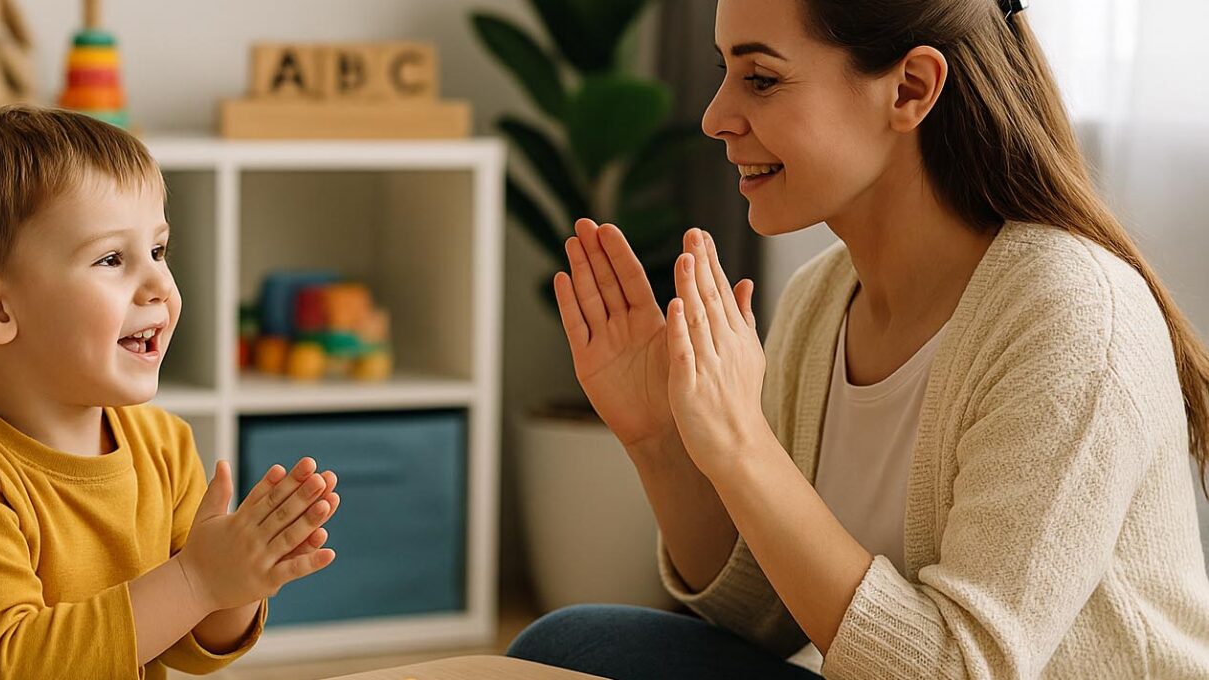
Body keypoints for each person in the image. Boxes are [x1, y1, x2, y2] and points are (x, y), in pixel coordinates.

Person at [508, 0, 1209, 677]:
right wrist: (663, 439)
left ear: (910, 89)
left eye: (760, 79)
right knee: (574, 644)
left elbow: (958, 672)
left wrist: (742, 445)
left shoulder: (1069, 314)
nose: (716, 117)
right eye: (723, 72)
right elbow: (763, 618)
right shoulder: (822, 299)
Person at [0, 105, 341, 679]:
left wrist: (235, 583)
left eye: (159, 251)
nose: (159, 286)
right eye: (112, 258)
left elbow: (187, 642)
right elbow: (7, 666)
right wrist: (195, 581)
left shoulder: (164, 444)